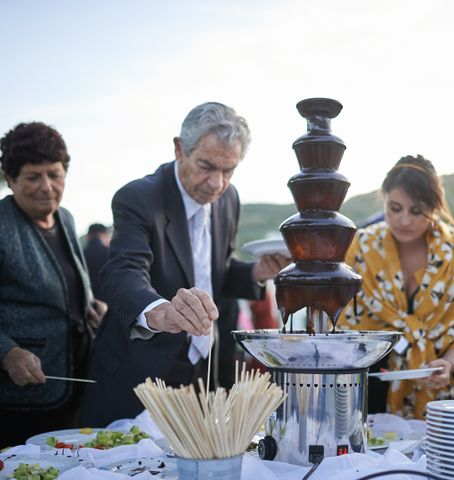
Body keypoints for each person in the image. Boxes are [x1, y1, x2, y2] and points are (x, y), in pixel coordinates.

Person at [79, 102, 289, 426]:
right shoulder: (137, 198)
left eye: (228, 170)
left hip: (202, 375)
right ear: (180, 149)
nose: (216, 183)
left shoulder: (229, 200)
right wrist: (161, 311)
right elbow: (124, 272)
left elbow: (213, 273)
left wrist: (256, 272)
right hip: (138, 374)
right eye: (206, 166)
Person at [338, 155, 454, 419]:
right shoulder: (361, 248)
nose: (405, 220)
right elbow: (341, 319)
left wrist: (448, 362)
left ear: (435, 207)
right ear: (383, 200)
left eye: (417, 210)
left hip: (449, 384)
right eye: (395, 208)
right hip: (374, 386)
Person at [0, 122, 107, 447]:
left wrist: (88, 304)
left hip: (71, 388)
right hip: (18, 401)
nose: (47, 186)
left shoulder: (66, 218)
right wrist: (7, 353)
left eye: (54, 174)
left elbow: (63, 284)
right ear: (10, 179)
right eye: (33, 176)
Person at [83, 223, 110, 302]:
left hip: (90, 303)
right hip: (111, 302)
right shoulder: (111, 253)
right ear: (104, 235)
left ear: (88, 236)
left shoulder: (80, 255)